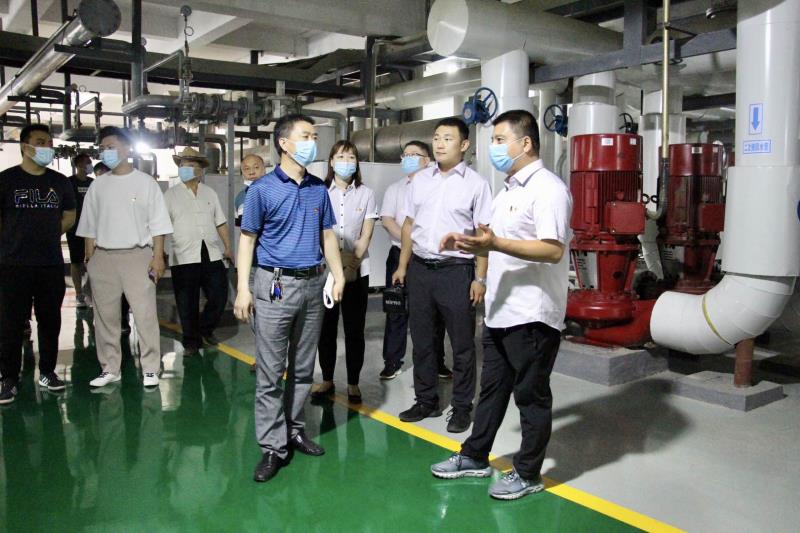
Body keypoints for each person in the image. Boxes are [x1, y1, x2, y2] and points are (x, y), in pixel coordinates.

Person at [430, 110, 572, 500]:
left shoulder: (548, 189)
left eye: (498, 140)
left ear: (525, 143)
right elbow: (494, 241)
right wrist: (468, 242)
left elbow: (552, 249)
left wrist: (494, 244)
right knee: (492, 391)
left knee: (531, 396)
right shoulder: (508, 190)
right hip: (500, 310)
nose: (492, 147)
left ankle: (528, 473)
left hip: (531, 314)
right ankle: (475, 456)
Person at [234, 113, 345, 483]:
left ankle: (295, 430)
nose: (313, 142)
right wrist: (243, 288)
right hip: (275, 285)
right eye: (306, 136)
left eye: (314, 136)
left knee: (302, 367)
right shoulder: (262, 190)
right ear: (284, 143)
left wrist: (338, 274)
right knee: (270, 371)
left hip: (313, 285)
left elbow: (327, 236)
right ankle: (272, 446)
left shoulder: (317, 189)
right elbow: (247, 240)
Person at [392, 117, 492, 434]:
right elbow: (409, 226)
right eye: (436, 137)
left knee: (462, 345)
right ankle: (426, 400)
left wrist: (480, 278)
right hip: (421, 269)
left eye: (448, 138)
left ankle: (462, 408)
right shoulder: (420, 180)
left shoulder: (477, 184)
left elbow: (483, 235)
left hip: (456, 271)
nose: (439, 143)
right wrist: (403, 266)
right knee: (422, 341)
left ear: (464, 145)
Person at [76, 126, 173, 389]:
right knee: (105, 318)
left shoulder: (146, 183)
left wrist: (157, 258)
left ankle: (151, 367)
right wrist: (90, 259)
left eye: (111, 147)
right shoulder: (98, 186)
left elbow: (159, 225)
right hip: (103, 257)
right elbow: (88, 227)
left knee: (145, 315)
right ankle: (110, 368)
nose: (106, 152)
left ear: (127, 148)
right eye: (103, 148)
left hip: (137, 256)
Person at [0, 124, 76, 403]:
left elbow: (70, 214)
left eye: (49, 142)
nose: (47, 147)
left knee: (50, 321)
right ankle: (8, 378)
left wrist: (48, 234)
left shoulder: (60, 182)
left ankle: (47, 372)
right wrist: (12, 239)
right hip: (13, 264)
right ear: (25, 146)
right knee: (10, 323)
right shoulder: (6, 180)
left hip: (49, 264)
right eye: (40, 142)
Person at [310, 141, 378, 404]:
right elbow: (315, 231)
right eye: (340, 157)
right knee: (325, 328)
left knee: (354, 329)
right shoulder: (319, 191)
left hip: (357, 271)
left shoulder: (366, 194)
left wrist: (350, 267)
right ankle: (327, 380)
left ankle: (353, 383)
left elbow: (366, 234)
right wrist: (334, 267)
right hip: (325, 271)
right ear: (331, 161)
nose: (346, 162)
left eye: (351, 157)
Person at [379, 140, 448, 381]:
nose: (407, 159)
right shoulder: (396, 189)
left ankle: (437, 362)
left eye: (414, 155)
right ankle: (392, 361)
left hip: (428, 257)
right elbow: (387, 219)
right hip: (399, 254)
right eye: (405, 155)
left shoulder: (438, 187)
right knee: (396, 309)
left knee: (433, 313)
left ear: (427, 160)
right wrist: (410, 240)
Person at [164, 147, 232, 356]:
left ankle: (205, 328)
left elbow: (220, 222)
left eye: (191, 165)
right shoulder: (170, 195)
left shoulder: (209, 193)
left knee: (220, 295)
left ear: (200, 171)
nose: (185, 168)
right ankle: (191, 342)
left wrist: (228, 247)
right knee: (187, 301)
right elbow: (161, 227)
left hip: (210, 251)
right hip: (183, 254)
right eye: (183, 165)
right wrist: (160, 253)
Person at [234, 154, 266, 373]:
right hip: (252, 266)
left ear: (264, 169)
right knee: (254, 314)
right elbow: (245, 235)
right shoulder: (240, 198)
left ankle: (275, 356)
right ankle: (263, 356)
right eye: (247, 169)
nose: (252, 172)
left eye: (256, 167)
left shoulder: (274, 192)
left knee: (274, 313)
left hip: (272, 266)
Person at [92, 160, 131, 333]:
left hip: (124, 250)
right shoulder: (94, 195)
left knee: (122, 289)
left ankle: (122, 318)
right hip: (101, 250)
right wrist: (89, 253)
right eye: (97, 177)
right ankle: (105, 321)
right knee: (104, 290)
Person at [67, 152, 95, 308]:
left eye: (90, 162)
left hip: (92, 229)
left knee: (93, 260)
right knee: (76, 261)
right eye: (87, 162)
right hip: (75, 228)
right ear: (78, 165)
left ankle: (91, 290)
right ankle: (79, 293)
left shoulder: (93, 183)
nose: (89, 165)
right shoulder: (69, 183)